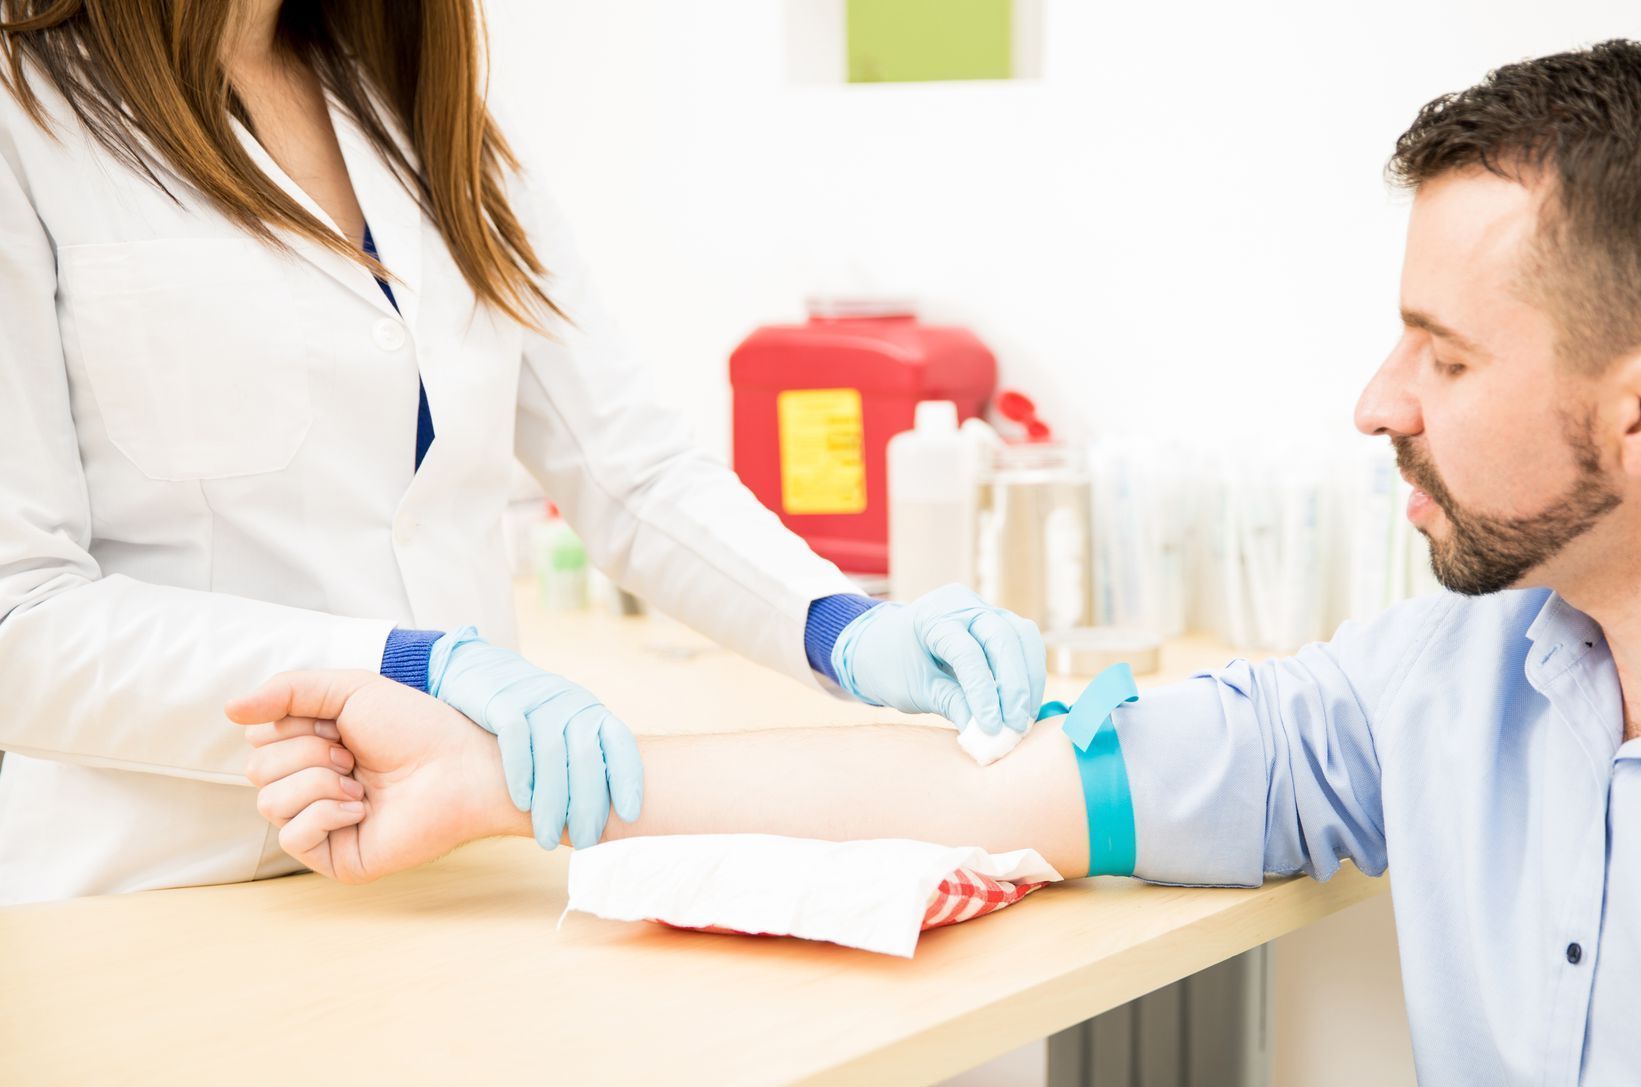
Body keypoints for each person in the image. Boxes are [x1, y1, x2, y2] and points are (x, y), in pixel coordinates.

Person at [238, 41, 1641, 1083]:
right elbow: (1003, 786)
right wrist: (489, 780)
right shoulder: (1435, 692)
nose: (1377, 401)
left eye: (1445, 356)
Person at [0, 0, 1046, 906]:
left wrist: (844, 628)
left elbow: (628, 469)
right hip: (157, 884)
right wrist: (398, 664)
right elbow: (20, 616)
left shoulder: (410, 107)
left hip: (447, 863)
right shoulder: (26, 111)